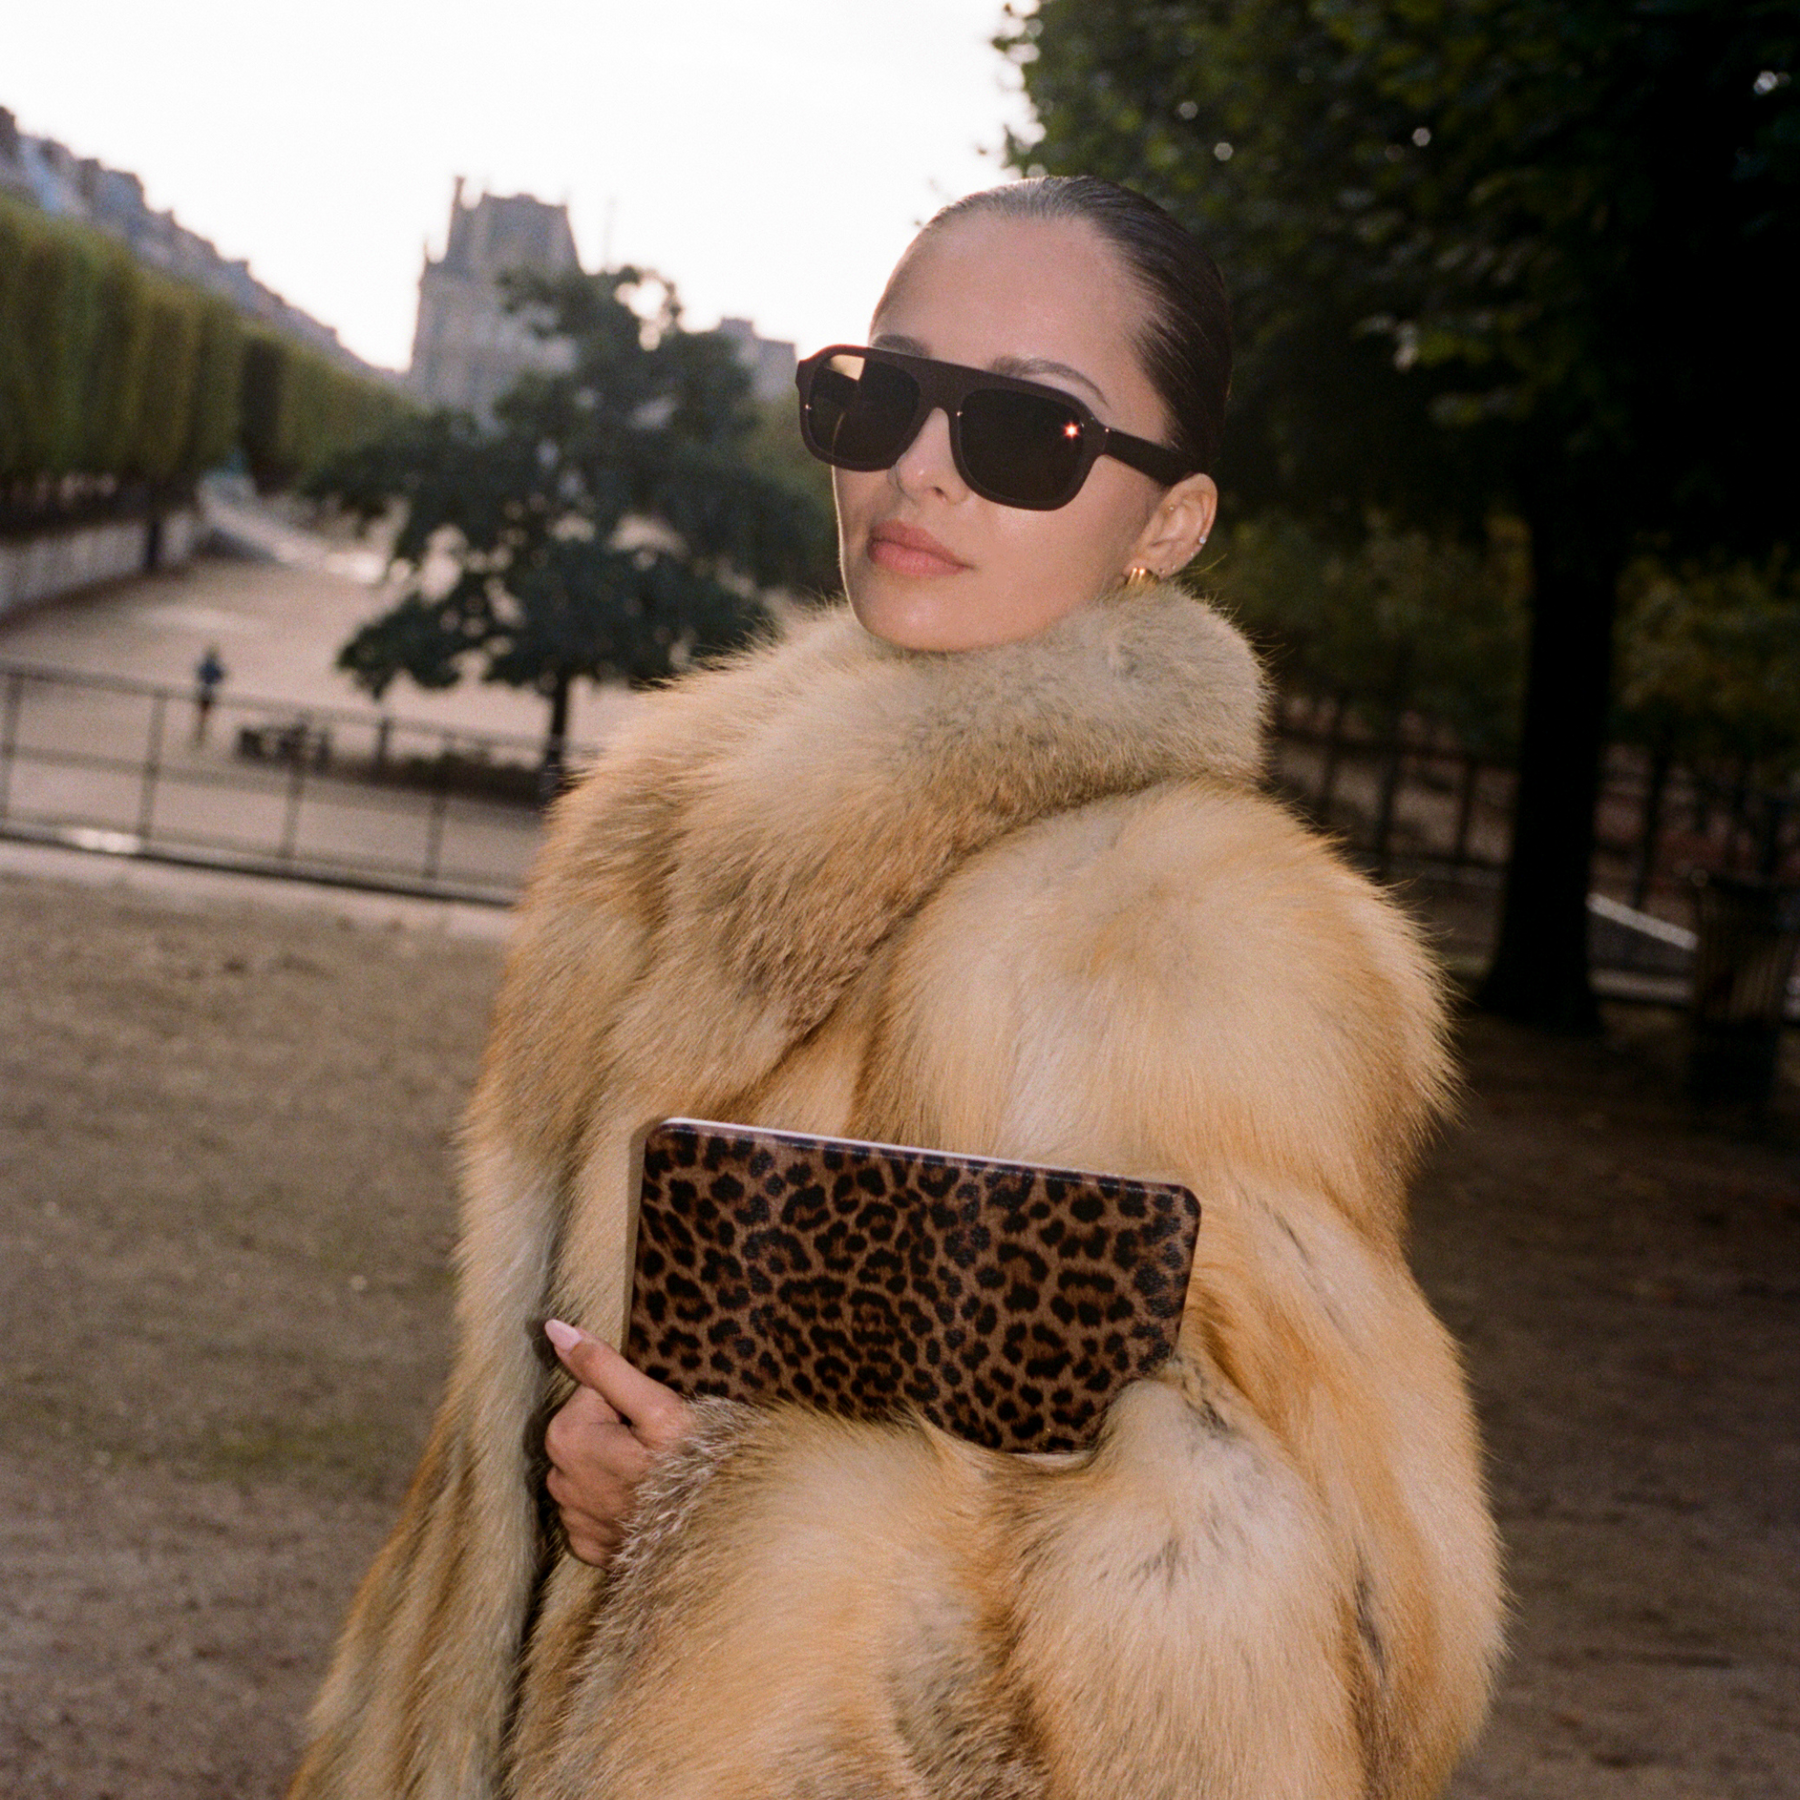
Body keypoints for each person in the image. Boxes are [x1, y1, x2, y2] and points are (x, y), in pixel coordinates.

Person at [290, 177, 1501, 1800]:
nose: (920, 464)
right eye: (884, 394)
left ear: (1169, 523)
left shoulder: (1191, 939)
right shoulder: (666, 842)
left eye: (1028, 430)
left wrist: (719, 1523)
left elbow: (1332, 1642)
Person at [192, 644, 227, 744]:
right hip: (209, 692)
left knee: (202, 714)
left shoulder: (206, 666)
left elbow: (199, 674)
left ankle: (200, 732)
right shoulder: (214, 667)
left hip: (203, 691)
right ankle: (202, 732)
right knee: (205, 714)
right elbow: (221, 676)